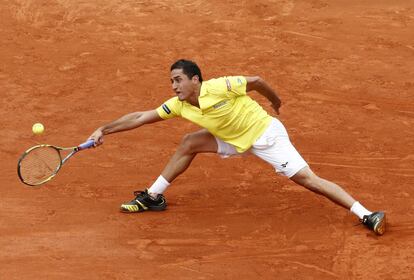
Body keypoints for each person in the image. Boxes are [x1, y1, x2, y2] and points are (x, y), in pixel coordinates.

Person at [88, 59, 386, 235]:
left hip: (264, 135)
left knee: (309, 180)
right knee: (190, 142)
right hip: (230, 137)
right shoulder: (179, 105)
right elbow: (141, 116)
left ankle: (366, 214)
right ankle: (154, 196)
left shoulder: (218, 86)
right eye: (171, 81)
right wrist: (104, 129)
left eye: (178, 80)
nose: (174, 86)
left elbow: (255, 80)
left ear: (195, 79)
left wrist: (275, 100)